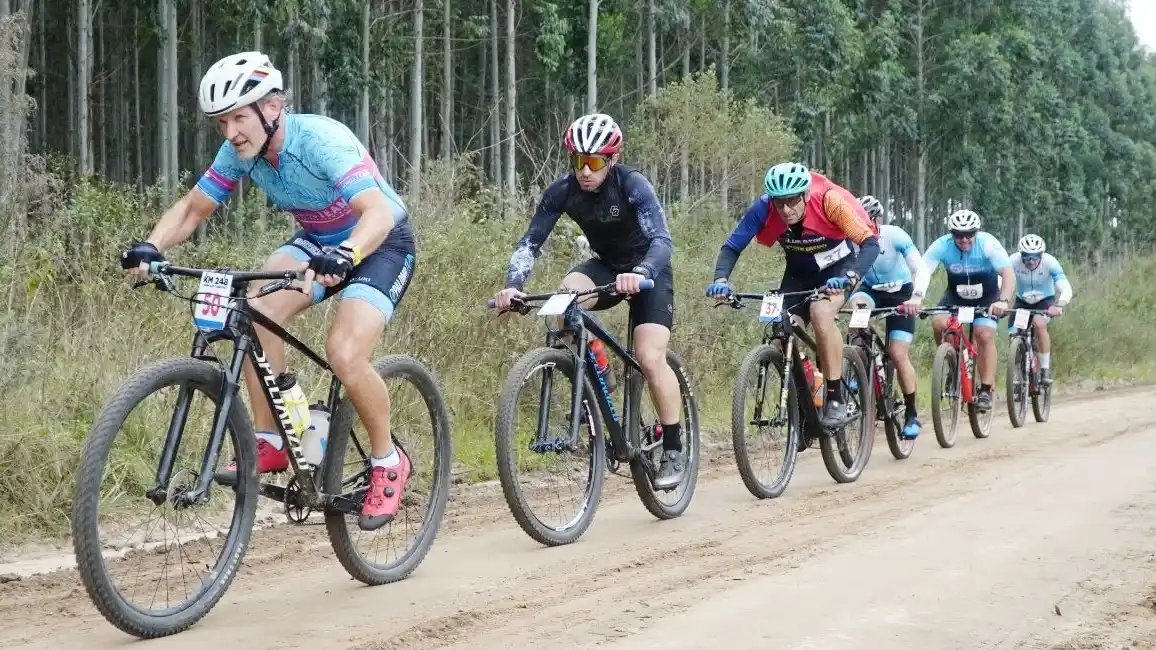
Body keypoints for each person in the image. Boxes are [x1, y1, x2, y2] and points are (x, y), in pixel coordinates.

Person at [119, 52, 416, 531]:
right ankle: (275, 437)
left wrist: (347, 255)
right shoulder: (240, 152)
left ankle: (387, 461)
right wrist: (151, 246)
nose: (231, 131)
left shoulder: (320, 140)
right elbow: (194, 209)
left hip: (380, 243)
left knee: (343, 352)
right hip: (316, 243)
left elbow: (377, 213)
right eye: (221, 122)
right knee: (253, 312)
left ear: (272, 107)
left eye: (239, 117)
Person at [491, 113, 687, 490]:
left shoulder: (632, 185)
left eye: (594, 162)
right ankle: (599, 373)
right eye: (577, 161)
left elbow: (663, 241)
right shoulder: (563, 191)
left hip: (649, 273)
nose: (584, 170)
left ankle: (674, 448)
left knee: (648, 357)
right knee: (564, 300)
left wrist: (642, 270)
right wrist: (512, 285)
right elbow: (529, 244)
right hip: (607, 267)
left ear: (611, 160)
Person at [707, 162, 880, 429]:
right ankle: (807, 396)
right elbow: (732, 247)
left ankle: (835, 396)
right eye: (779, 203)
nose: (786, 210)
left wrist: (850, 277)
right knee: (779, 331)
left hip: (840, 268)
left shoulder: (829, 201)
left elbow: (869, 244)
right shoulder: (762, 209)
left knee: (821, 313)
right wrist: (721, 280)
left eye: (792, 202)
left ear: (805, 195)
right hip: (799, 272)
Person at [905, 209, 1016, 411]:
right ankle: (953, 362)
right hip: (955, 295)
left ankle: (986, 389)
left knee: (984, 335)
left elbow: (1007, 273)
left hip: (987, 296)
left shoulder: (988, 243)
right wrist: (917, 296)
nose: (963, 239)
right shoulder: (942, 245)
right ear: (951, 234)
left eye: (969, 235)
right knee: (939, 323)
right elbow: (924, 271)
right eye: (958, 235)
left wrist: (1004, 300)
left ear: (977, 232)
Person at [847, 195, 925, 439]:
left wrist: (917, 297)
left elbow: (919, 268)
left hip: (901, 294)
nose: (861, 226)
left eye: (867, 220)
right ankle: (857, 368)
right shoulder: (849, 239)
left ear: (878, 219)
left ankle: (912, 413)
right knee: (856, 310)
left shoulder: (895, 235)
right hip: (870, 292)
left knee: (898, 354)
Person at [1008, 234, 1073, 385]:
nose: (1031, 262)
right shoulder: (1013, 261)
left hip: (1044, 301)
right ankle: (1017, 373)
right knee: (1014, 333)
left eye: (1035, 258)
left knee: (1039, 324)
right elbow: (1000, 280)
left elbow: (1065, 286)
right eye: (1027, 258)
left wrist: (1059, 305)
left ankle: (1045, 369)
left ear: (1041, 256)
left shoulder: (1050, 262)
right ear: (1021, 255)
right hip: (1022, 301)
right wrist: (998, 301)